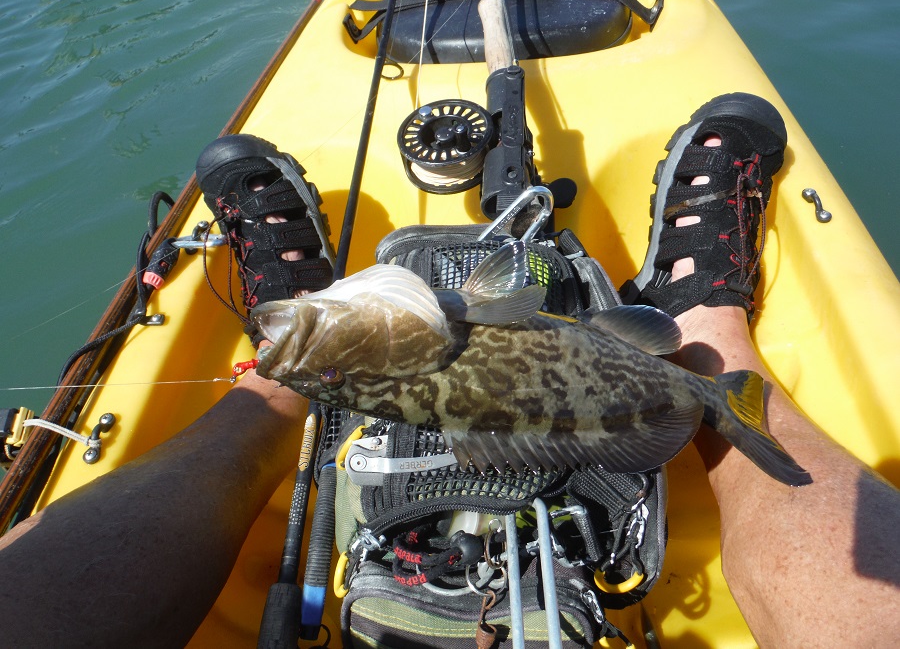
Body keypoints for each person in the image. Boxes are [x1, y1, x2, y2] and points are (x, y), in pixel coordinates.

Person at [0, 95, 897, 647]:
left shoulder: (431, 334)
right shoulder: (455, 317)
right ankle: (706, 332)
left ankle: (279, 385)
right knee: (694, 359)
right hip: (599, 356)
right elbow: (514, 290)